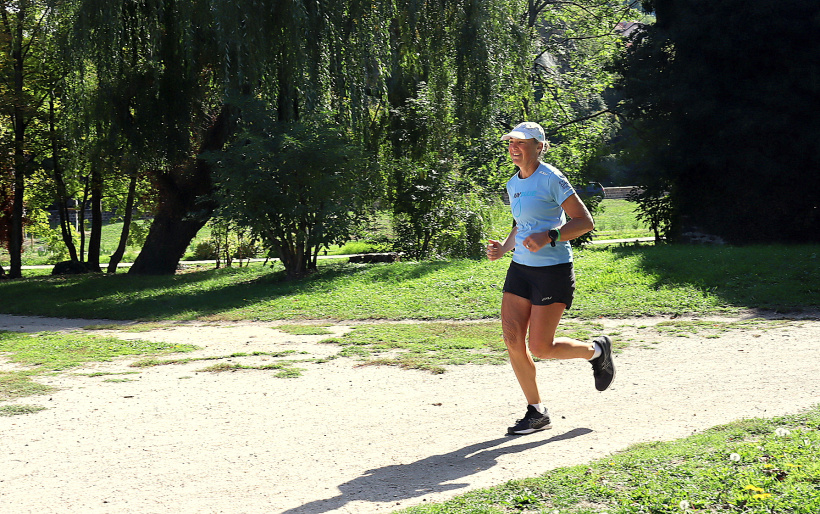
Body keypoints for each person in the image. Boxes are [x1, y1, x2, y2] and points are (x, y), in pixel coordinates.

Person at [486, 121, 615, 436]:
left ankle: (597, 352)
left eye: (522, 142)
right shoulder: (513, 183)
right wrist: (505, 247)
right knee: (513, 339)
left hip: (552, 270)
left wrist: (550, 235)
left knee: (541, 347)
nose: (514, 148)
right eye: (511, 143)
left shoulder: (551, 178)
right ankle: (536, 411)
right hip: (520, 268)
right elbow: (522, 224)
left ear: (538, 146)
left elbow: (585, 221)